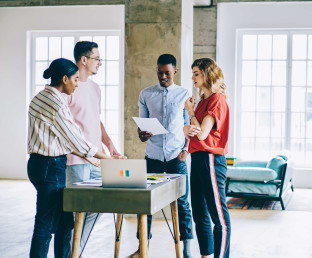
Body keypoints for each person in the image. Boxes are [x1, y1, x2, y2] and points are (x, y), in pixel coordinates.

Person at [27, 58, 114, 258]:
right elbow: (76, 139)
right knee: (46, 223)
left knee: (65, 221)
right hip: (50, 166)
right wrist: (106, 158)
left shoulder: (40, 97)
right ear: (64, 79)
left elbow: (63, 139)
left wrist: (93, 158)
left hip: (41, 164)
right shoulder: (56, 103)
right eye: (75, 79)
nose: (77, 84)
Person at [127, 54, 193, 258]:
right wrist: (142, 134)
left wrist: (186, 150)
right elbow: (141, 130)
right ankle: (142, 247)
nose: (162, 76)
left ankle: (187, 249)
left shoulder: (184, 94)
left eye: (167, 72)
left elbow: (190, 124)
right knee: (145, 202)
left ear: (175, 71)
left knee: (182, 203)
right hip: (153, 156)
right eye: (159, 72)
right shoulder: (146, 94)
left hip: (176, 157)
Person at [66, 41, 123, 255]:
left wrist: (111, 146)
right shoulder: (68, 87)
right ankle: (72, 252)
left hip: (97, 160)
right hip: (76, 161)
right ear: (84, 60)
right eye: (97, 58)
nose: (100, 63)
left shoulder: (95, 88)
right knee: (76, 212)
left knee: (99, 204)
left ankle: (76, 251)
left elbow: (96, 121)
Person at [183, 58, 231, 258]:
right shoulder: (203, 100)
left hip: (211, 159)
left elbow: (202, 134)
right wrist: (187, 127)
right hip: (197, 158)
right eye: (192, 73)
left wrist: (190, 113)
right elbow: (193, 131)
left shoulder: (217, 99)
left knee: (218, 217)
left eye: (197, 73)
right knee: (200, 214)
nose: (193, 77)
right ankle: (206, 255)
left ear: (207, 74)